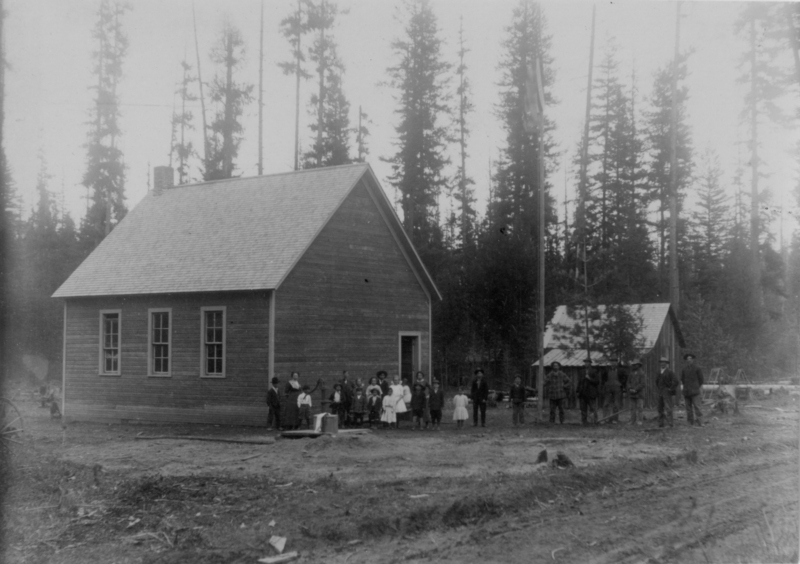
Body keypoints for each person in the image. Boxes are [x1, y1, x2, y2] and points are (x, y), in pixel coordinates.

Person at [681, 352, 705, 427]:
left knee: (697, 407)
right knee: (688, 408)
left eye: (690, 359)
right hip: (687, 391)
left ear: (693, 360)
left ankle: (700, 421)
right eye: (687, 359)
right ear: (686, 360)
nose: (689, 360)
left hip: (695, 391)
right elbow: (682, 379)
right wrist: (686, 387)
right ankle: (690, 421)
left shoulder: (697, 368)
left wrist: (696, 386)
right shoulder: (684, 369)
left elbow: (701, 380)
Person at [655, 357, 679, 428]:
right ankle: (661, 423)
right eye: (661, 362)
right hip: (660, 391)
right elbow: (656, 382)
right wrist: (659, 388)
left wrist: (670, 389)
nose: (662, 363)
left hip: (667, 392)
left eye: (664, 362)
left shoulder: (670, 371)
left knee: (668, 408)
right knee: (660, 408)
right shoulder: (658, 371)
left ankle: (670, 423)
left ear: (666, 364)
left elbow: (676, 381)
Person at [576, 358, 600, 426]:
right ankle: (584, 421)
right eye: (585, 362)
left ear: (590, 363)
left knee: (592, 408)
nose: (586, 364)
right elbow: (579, 382)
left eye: (587, 362)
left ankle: (595, 421)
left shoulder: (594, 371)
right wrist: (577, 390)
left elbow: (597, 381)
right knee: (583, 408)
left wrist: (589, 378)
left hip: (591, 393)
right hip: (583, 392)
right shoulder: (582, 371)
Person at [601, 358, 625, 424]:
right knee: (606, 404)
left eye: (614, 362)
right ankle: (605, 419)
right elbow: (602, 379)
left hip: (617, 389)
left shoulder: (620, 370)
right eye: (612, 362)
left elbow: (624, 378)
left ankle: (615, 419)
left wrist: (621, 384)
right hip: (608, 389)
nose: (613, 363)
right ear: (610, 362)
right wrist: (605, 384)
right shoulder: (606, 370)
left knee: (616, 404)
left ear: (616, 363)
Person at [628, 359, 645, 425]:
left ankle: (640, 420)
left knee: (640, 408)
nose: (635, 366)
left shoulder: (642, 373)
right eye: (634, 365)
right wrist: (630, 389)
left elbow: (643, 384)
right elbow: (628, 382)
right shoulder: (631, 373)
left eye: (636, 365)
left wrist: (636, 389)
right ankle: (632, 420)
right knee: (632, 408)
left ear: (639, 365)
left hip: (639, 394)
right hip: (632, 393)